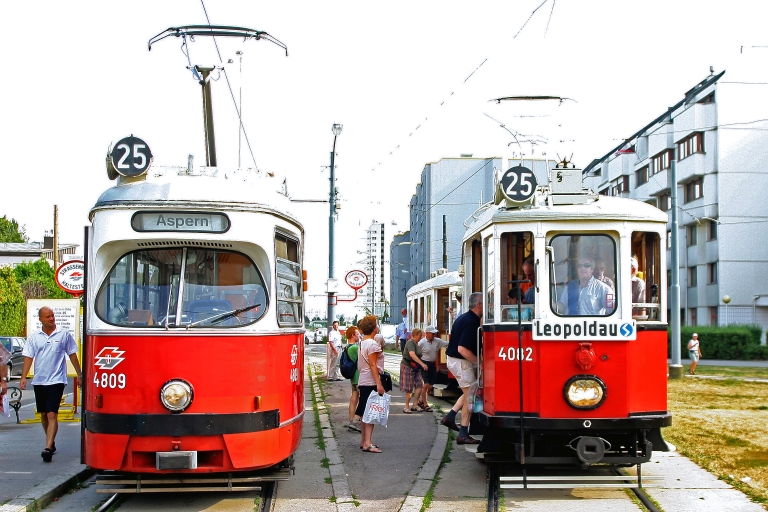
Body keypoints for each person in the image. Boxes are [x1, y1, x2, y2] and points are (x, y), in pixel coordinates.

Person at [20, 307, 83, 463]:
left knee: (51, 414)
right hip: (40, 380)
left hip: (57, 380)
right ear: (40, 319)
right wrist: (23, 377)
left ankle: (47, 448)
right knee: (43, 414)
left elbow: (72, 354)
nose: (51, 318)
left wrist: (79, 374)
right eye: (48, 316)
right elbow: (28, 357)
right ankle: (51, 440)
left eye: (52, 315)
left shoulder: (63, 334)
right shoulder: (35, 336)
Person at [441, 292, 483, 445]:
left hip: (455, 361)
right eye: (485, 303)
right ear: (479, 305)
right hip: (461, 362)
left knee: (468, 394)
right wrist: (480, 362)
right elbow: (462, 349)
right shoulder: (472, 322)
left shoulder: (464, 317)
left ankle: (450, 417)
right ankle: (463, 433)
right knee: (471, 397)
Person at [356, 315, 385, 453]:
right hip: (371, 381)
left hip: (363, 380)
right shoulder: (372, 344)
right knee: (371, 413)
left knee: (364, 413)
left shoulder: (362, 342)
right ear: (374, 328)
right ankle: (368, 443)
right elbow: (373, 365)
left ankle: (364, 440)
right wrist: (379, 384)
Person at [418, 325, 448, 410]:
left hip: (432, 364)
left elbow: (447, 344)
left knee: (430, 385)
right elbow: (416, 353)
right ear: (426, 334)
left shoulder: (437, 341)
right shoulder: (421, 342)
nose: (434, 335)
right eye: (432, 333)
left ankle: (421, 400)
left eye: (435, 333)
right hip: (424, 363)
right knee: (425, 384)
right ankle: (425, 404)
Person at [400, 328, 428, 413]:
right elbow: (412, 355)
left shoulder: (416, 343)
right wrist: (422, 364)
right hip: (408, 366)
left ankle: (415, 405)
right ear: (415, 335)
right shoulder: (410, 342)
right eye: (420, 335)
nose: (421, 337)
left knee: (420, 384)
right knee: (409, 387)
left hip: (415, 367)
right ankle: (406, 406)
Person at [344, 326, 362, 432]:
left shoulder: (347, 347)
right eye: (357, 334)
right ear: (352, 335)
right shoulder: (355, 348)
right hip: (358, 376)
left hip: (353, 377)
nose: (359, 335)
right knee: (361, 398)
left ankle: (351, 420)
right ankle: (356, 419)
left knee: (354, 397)